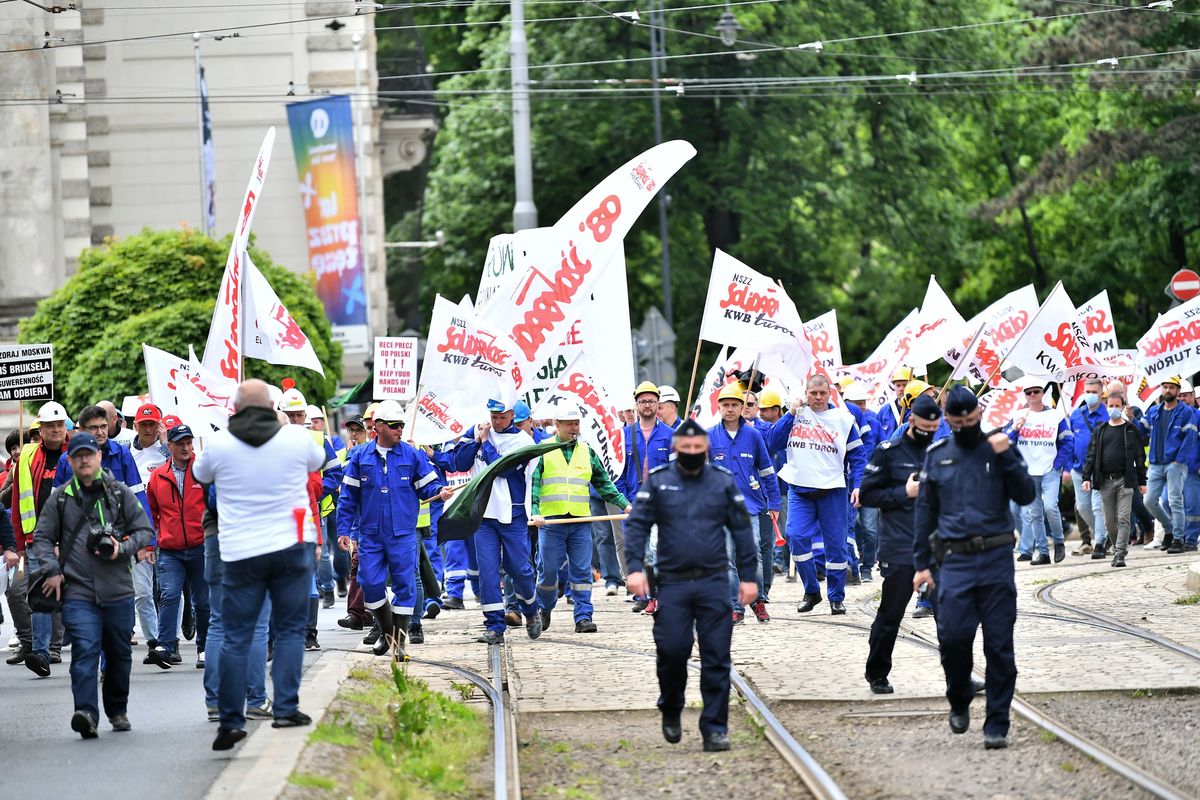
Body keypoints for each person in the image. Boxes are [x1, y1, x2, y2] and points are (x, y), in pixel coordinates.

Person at [192, 379, 327, 751]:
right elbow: (320, 460)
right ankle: (285, 707)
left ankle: (232, 719)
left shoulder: (219, 445)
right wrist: (285, 423)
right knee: (288, 630)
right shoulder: (296, 439)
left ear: (235, 409)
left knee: (236, 636)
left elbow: (200, 476)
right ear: (273, 406)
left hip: (239, 554)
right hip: (290, 549)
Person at [623, 419, 757, 752]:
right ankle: (671, 705)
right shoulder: (660, 482)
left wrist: (750, 578)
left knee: (716, 656)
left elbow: (742, 532)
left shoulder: (721, 483)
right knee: (672, 651)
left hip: (713, 583)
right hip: (673, 584)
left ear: (707, 450)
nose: (693, 453)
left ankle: (714, 728)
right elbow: (637, 525)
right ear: (676, 449)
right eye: (687, 449)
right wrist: (635, 569)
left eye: (699, 449)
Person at [914, 386, 1036, 750]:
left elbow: (1026, 494)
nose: (966, 425)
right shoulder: (938, 455)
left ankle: (997, 722)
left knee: (1000, 645)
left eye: (972, 420)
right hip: (955, 562)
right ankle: (959, 695)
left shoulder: (998, 448)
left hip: (996, 558)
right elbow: (925, 512)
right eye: (959, 421)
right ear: (948, 419)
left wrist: (1009, 458)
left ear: (979, 414)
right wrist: (921, 565)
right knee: (952, 638)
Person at [28, 431, 155, 738]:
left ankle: (117, 709)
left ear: (99, 457)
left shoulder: (119, 492)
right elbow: (42, 537)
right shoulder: (59, 498)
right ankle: (86, 712)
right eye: (78, 456)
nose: (84, 460)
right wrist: (51, 570)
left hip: (118, 588)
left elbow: (144, 530)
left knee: (119, 653)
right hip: (78, 589)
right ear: (69, 461)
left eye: (89, 454)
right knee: (85, 650)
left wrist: (121, 547)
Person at [337, 400, 452, 658]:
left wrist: (439, 492)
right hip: (370, 534)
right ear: (378, 427)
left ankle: (398, 643)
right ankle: (388, 634)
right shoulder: (360, 457)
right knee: (369, 582)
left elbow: (429, 486)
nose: (400, 429)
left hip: (402, 534)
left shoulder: (412, 455)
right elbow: (348, 497)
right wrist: (343, 530)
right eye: (394, 425)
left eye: (401, 425)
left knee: (405, 585)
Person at [861, 395, 943, 694]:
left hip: (936, 547)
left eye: (934, 427)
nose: (929, 431)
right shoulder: (888, 453)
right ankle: (877, 673)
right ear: (911, 421)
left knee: (949, 615)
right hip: (899, 546)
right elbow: (868, 496)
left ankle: (958, 675)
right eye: (924, 426)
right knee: (891, 615)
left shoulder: (940, 451)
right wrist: (903, 492)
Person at [766, 375, 867, 615]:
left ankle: (836, 596)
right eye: (813, 394)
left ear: (830, 394)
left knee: (836, 548)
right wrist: (790, 413)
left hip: (833, 490)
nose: (818, 398)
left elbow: (858, 457)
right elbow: (773, 442)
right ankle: (811, 590)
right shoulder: (797, 415)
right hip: (799, 489)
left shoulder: (843, 419)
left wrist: (858, 485)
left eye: (822, 393)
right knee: (796, 536)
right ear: (806, 393)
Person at [448, 397, 543, 644]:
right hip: (483, 515)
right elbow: (460, 462)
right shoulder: (479, 430)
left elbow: (499, 468)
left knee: (519, 569)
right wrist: (477, 440)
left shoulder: (523, 441)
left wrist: (486, 442)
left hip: (512, 514)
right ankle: (494, 625)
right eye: (493, 416)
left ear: (512, 415)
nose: (497, 422)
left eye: (502, 417)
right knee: (488, 572)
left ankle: (532, 612)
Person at [531, 408, 631, 633]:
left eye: (576, 423)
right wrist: (535, 511)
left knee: (582, 572)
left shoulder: (587, 452)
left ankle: (584, 616)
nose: (574, 428)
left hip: (579, 522)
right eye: (569, 424)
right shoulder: (542, 451)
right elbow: (534, 486)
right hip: (550, 523)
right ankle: (544, 607)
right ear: (557, 424)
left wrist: (625, 504)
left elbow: (604, 484)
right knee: (547, 571)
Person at [706, 383, 780, 623]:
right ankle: (735, 605)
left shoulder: (754, 435)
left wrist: (775, 502)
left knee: (753, 554)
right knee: (727, 557)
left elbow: (767, 471)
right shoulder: (708, 436)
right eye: (725, 405)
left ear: (741, 408)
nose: (730, 409)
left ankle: (758, 600)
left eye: (734, 405)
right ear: (718, 408)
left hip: (750, 505)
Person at [9, 401, 71, 671]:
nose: (56, 430)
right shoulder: (28, 457)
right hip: (39, 539)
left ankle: (78, 646)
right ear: (41, 429)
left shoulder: (81, 452)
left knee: (77, 595)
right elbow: (17, 500)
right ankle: (43, 652)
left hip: (75, 539)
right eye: (50, 426)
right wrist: (20, 544)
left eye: (60, 424)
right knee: (40, 596)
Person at [146, 424, 209, 668]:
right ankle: (165, 645)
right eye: (180, 443)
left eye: (188, 442)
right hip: (170, 549)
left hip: (201, 546)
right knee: (169, 595)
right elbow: (152, 513)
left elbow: (216, 505)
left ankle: (204, 648)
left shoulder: (204, 471)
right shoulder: (158, 476)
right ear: (169, 446)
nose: (185, 447)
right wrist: (152, 543)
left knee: (203, 601)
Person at [616, 381, 675, 612]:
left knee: (658, 548)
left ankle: (657, 595)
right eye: (643, 401)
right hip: (633, 501)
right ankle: (647, 594)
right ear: (636, 404)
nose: (647, 405)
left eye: (651, 401)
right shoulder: (624, 435)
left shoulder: (670, 435)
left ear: (658, 404)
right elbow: (618, 472)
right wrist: (623, 501)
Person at [1006, 384, 1073, 564]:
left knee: (1051, 507)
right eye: (1029, 392)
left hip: (1049, 470)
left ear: (1042, 394)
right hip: (1028, 472)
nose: (1033, 395)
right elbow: (1006, 442)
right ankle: (1043, 552)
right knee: (1034, 513)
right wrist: (1015, 430)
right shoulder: (1018, 415)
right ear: (1025, 396)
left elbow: (1067, 441)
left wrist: (1058, 465)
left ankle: (1059, 542)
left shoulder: (1055, 415)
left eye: (1036, 391)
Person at [1082, 392, 1148, 567]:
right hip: (1105, 482)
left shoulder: (1131, 429)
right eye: (1110, 406)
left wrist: (1142, 481)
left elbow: (1139, 456)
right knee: (1109, 522)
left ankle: (1120, 553)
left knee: (1124, 518)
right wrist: (1086, 477)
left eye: (1117, 406)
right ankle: (1116, 547)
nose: (1113, 409)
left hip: (1125, 481)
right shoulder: (1100, 430)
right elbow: (1091, 455)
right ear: (1106, 406)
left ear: (1123, 406)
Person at [129, 402, 168, 660]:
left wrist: (166, 443)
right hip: (138, 533)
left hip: (166, 529)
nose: (148, 429)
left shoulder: (169, 450)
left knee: (168, 590)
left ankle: (168, 638)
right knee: (142, 591)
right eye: (144, 425)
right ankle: (154, 639)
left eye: (152, 424)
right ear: (135, 426)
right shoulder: (125, 454)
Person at [1136, 376, 1193, 551]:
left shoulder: (1185, 412)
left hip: (1174, 464)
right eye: (1165, 387)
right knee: (1149, 501)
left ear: (1177, 391)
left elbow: (1189, 438)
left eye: (1171, 387)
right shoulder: (1154, 411)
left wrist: (1179, 460)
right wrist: (1131, 419)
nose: (1167, 390)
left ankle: (1178, 540)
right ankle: (1169, 530)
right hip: (1155, 463)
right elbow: (1140, 430)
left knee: (1175, 501)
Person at [1068, 379, 1109, 556]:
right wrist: (1069, 465)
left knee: (1097, 506)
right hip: (1078, 470)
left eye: (1094, 392)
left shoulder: (1107, 415)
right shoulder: (1076, 414)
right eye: (1087, 391)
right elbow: (1069, 441)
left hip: (1099, 469)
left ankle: (1099, 542)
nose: (1090, 395)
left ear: (1101, 394)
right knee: (1083, 507)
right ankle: (1104, 535)